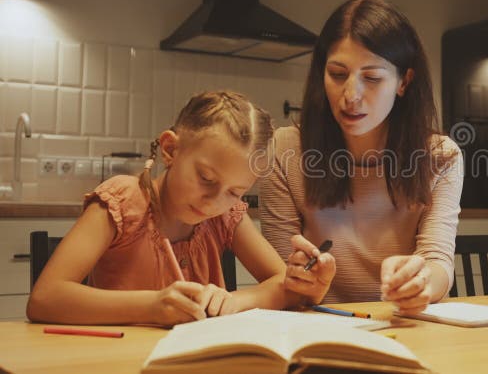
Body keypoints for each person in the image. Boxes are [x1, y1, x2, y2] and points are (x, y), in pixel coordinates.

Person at [27, 91, 333, 326]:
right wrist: (151, 306)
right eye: (206, 178)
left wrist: (235, 301)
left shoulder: (227, 215)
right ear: (171, 150)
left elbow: (287, 286)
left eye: (235, 192)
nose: (214, 201)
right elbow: (45, 298)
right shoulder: (121, 202)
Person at [260, 0, 463, 314]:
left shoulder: (441, 157)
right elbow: (279, 278)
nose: (351, 96)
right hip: (316, 329)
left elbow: (438, 263)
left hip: (405, 326)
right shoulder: (284, 151)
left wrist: (422, 281)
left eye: (372, 78)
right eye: (338, 74)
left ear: (403, 82)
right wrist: (300, 278)